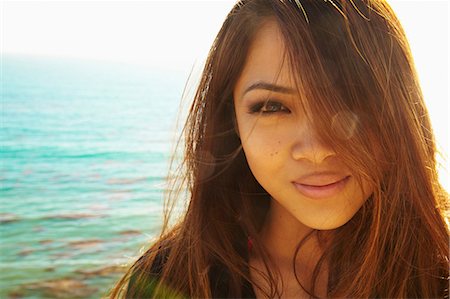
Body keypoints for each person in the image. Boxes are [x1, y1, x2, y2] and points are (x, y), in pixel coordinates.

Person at [110, 0, 449, 298]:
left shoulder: (441, 272)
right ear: (231, 121)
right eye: (272, 107)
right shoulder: (169, 280)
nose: (316, 150)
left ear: (402, 111)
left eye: (350, 101)